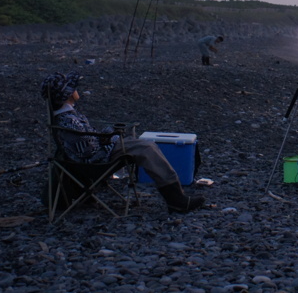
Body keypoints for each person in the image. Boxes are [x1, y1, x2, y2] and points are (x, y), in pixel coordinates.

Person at [41, 72, 204, 214]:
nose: (77, 90)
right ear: (68, 94)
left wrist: (108, 136)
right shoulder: (68, 120)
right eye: (73, 88)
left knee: (143, 145)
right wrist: (111, 136)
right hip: (96, 163)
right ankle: (176, 200)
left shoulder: (64, 117)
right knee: (147, 147)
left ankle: (176, 197)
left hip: (92, 159)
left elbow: (84, 142)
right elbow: (89, 150)